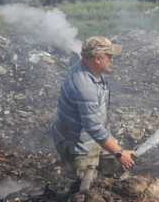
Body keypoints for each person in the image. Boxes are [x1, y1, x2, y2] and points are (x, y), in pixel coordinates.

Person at [51, 36, 135, 189]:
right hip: (78, 146)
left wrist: (112, 143)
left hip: (89, 138)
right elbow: (93, 126)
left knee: (113, 168)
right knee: (84, 189)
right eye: (109, 56)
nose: (112, 60)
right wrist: (119, 153)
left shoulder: (90, 70)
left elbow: (95, 122)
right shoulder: (84, 86)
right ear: (97, 59)